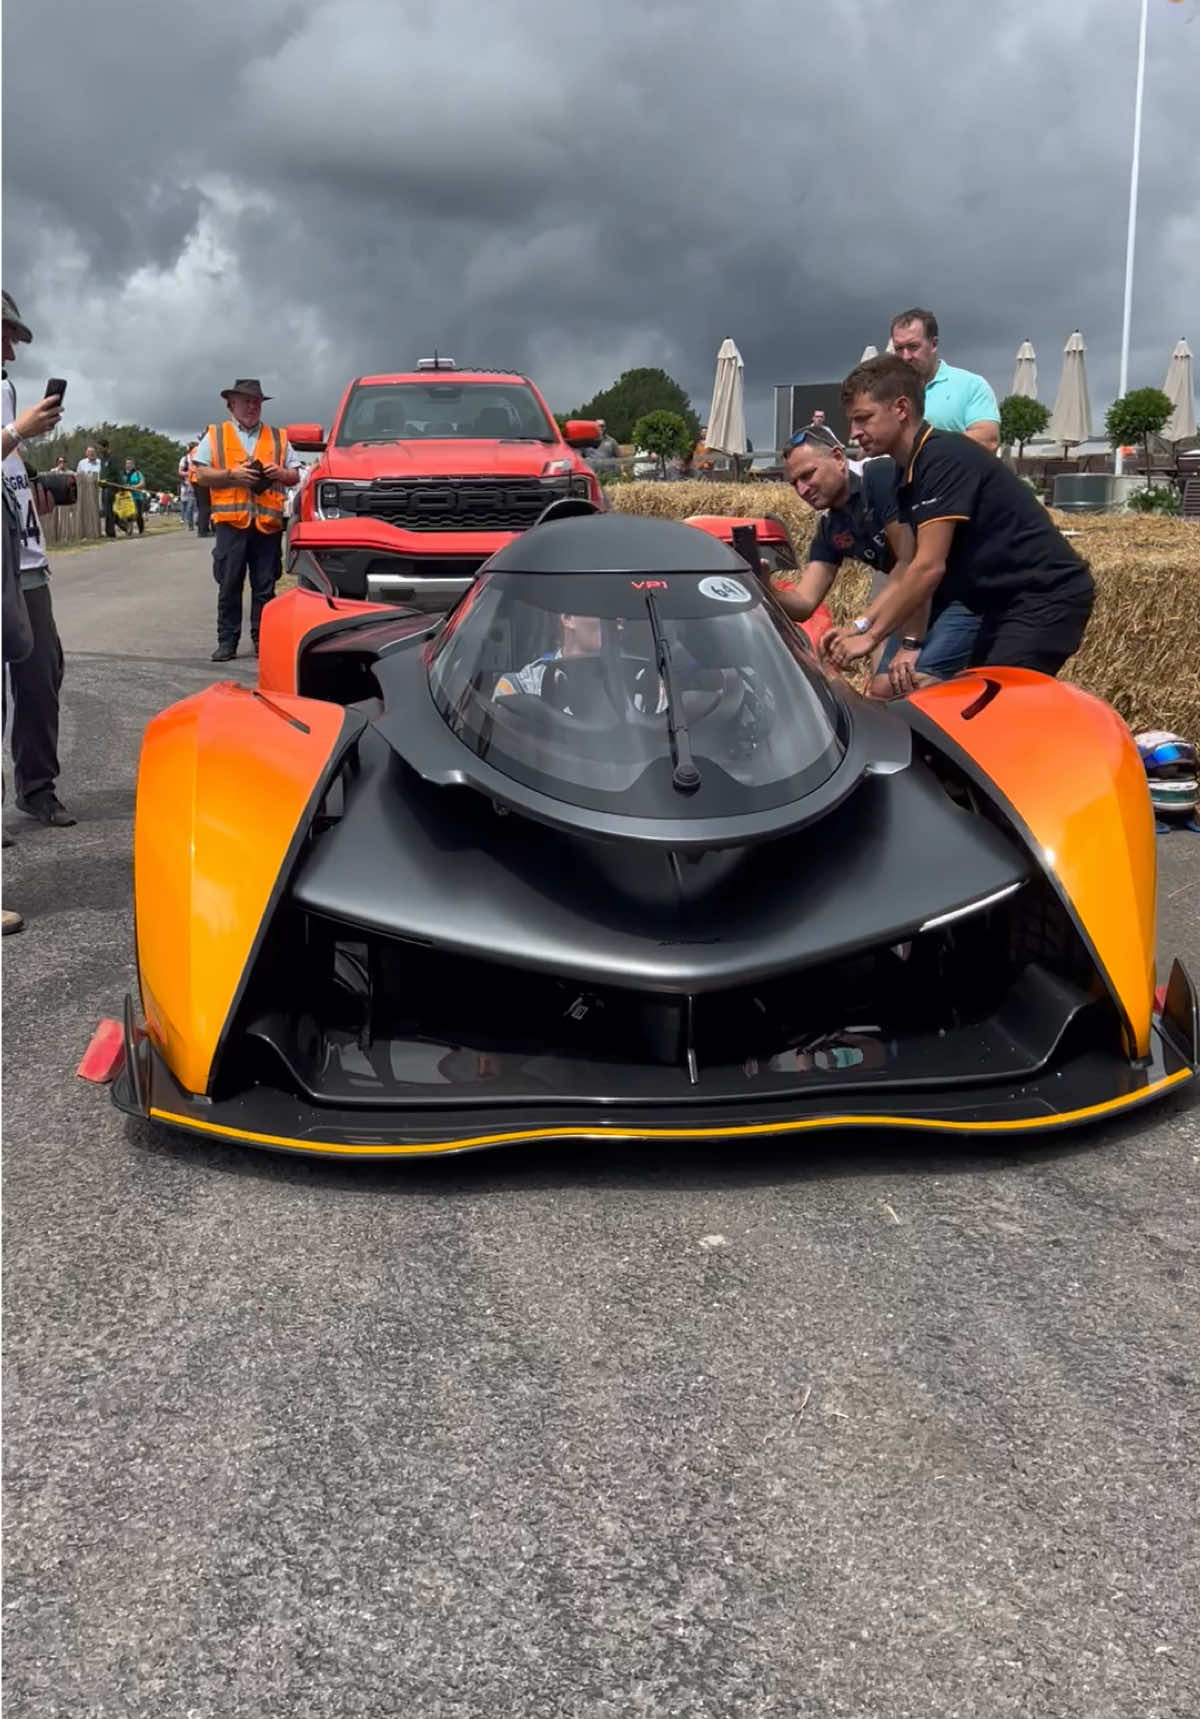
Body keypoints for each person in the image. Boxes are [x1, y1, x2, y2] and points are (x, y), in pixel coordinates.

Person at [823, 356, 1094, 678]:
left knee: (993, 702)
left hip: (1044, 594)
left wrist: (870, 638)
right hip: (996, 601)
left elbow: (929, 566)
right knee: (970, 698)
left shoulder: (942, 457)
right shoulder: (906, 472)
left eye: (863, 419)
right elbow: (907, 567)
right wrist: (861, 627)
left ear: (900, 408)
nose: (853, 433)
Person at [779, 423, 975, 697]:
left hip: (962, 595)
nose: (802, 490)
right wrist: (763, 583)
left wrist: (871, 631)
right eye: (794, 483)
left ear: (838, 458)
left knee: (908, 687)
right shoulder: (830, 525)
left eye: (808, 475)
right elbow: (803, 603)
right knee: (882, 690)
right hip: (918, 601)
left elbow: (910, 563)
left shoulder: (880, 475)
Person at [1, 289, 75, 828]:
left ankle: (37, 787)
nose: (10, 352)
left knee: (40, 675)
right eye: (4, 336)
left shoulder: (3, 392)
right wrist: (15, 433)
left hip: (25, 561)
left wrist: (33, 497)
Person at [190, 380, 301, 660]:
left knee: (265, 586)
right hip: (231, 523)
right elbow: (200, 475)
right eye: (246, 401)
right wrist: (232, 475)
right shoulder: (215, 435)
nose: (252, 406)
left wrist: (280, 473)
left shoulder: (279, 437)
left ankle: (263, 640)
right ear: (231, 405)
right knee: (229, 585)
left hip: (267, 525)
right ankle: (227, 642)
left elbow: (295, 475)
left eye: (257, 402)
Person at [888, 307, 1000, 453]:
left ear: (934, 344)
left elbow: (988, 440)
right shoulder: (886, 392)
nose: (905, 356)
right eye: (899, 348)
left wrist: (925, 446)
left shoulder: (970, 385)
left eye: (913, 347)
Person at [123, 457, 147, 534]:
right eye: (127, 463)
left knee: (138, 515)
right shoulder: (122, 474)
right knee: (128, 515)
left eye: (130, 463)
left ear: (133, 465)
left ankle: (141, 530)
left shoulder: (137, 473)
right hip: (127, 498)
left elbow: (142, 483)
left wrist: (134, 487)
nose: (128, 465)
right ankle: (129, 531)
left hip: (137, 497)